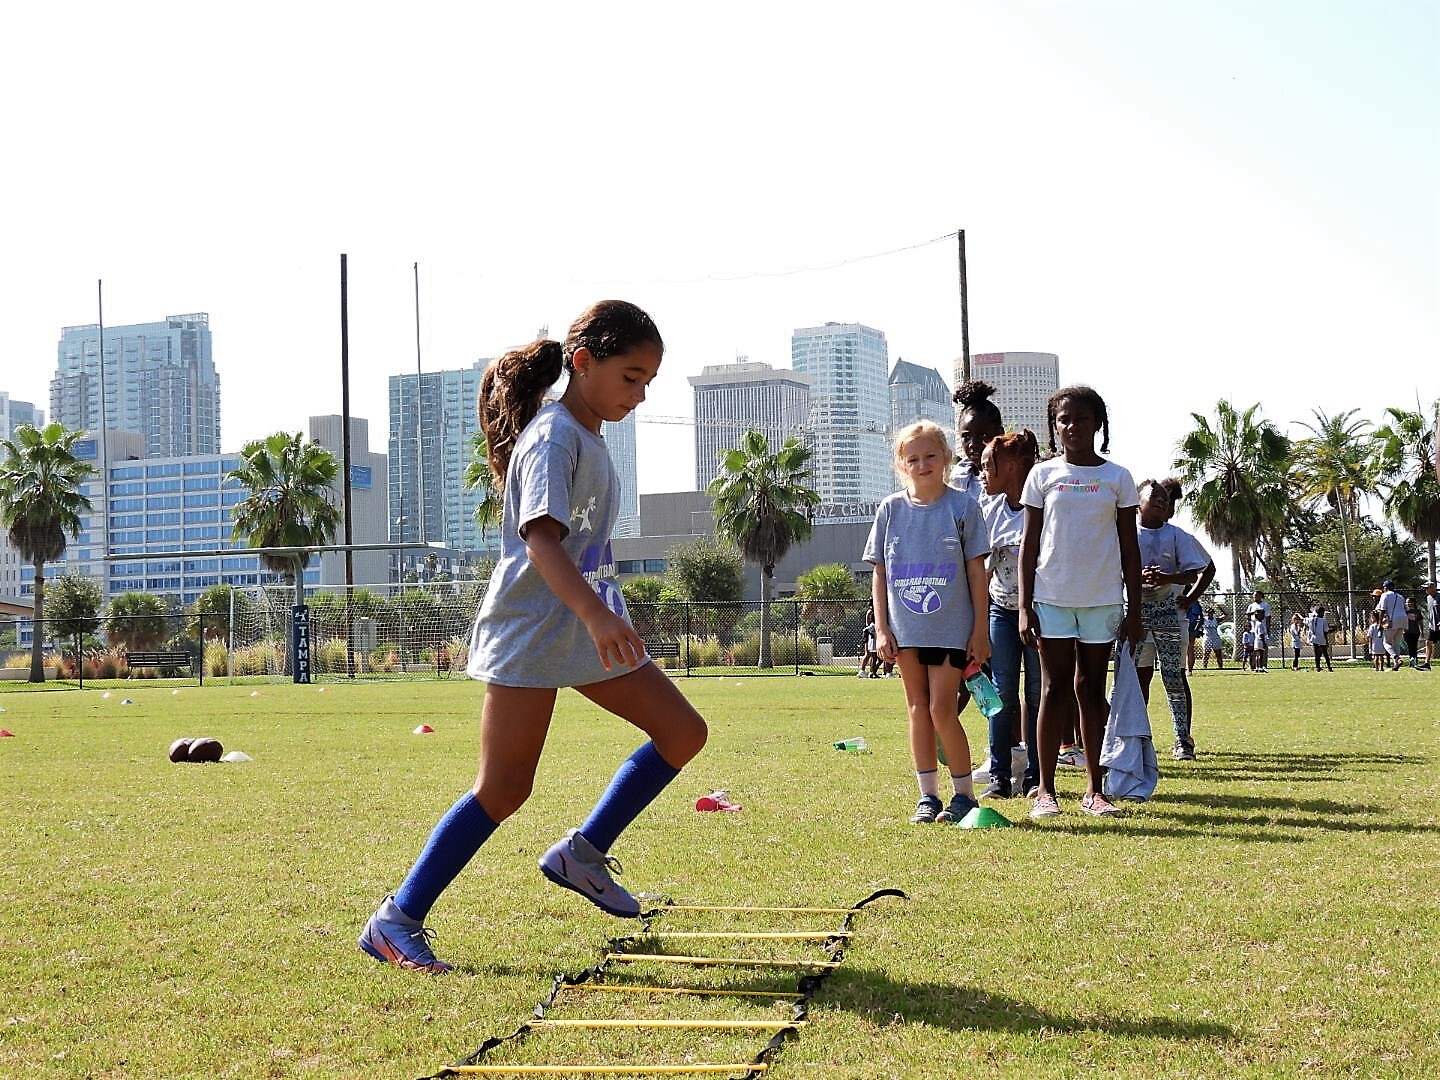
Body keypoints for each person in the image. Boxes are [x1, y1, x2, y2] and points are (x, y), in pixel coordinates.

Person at [359, 301, 708, 973]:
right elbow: (541, 541)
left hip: (580, 628)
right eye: (631, 377)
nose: (640, 395)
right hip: (533, 632)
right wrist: (598, 615)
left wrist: (603, 614)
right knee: (503, 790)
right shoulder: (553, 436)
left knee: (683, 732)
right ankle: (394, 920)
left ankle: (582, 853)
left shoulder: (590, 431)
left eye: (648, 382)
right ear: (583, 362)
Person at [1019, 385, 1142, 818]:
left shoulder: (1117, 478)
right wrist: (1023, 605)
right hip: (1051, 597)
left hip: (1102, 600)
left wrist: (1135, 609)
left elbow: (1130, 547)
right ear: (1055, 427)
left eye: (1082, 419)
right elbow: (1028, 546)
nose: (1073, 426)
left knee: (1090, 690)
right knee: (1052, 689)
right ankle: (1046, 790)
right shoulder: (1042, 475)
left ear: (1098, 424)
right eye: (1064, 420)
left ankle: (1095, 789)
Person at [866, 420, 991, 824]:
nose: (923, 465)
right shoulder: (890, 509)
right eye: (913, 458)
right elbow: (880, 573)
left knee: (942, 709)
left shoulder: (962, 507)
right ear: (902, 464)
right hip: (906, 633)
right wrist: (882, 629)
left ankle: (964, 795)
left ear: (946, 458)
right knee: (917, 709)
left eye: (930, 456)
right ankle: (929, 796)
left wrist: (979, 629)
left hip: (951, 630)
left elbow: (976, 572)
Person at [978, 428, 1043, 798]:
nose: (984, 473)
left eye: (990, 466)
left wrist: (1031, 609)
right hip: (1001, 611)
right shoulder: (990, 511)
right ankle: (1000, 775)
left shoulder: (1042, 506)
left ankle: (1036, 774)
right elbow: (982, 569)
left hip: (1038, 614)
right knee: (1001, 692)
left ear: (1014, 465)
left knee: (1036, 693)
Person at [1132, 479, 1211, 760]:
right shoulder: (1125, 533)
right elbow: (1111, 568)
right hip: (1135, 615)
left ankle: (1182, 739)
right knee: (1136, 678)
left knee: (1174, 676)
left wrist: (1177, 587)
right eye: (1154, 497)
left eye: (1164, 500)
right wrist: (1135, 578)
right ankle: (1137, 739)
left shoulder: (1176, 535)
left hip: (1170, 615)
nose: (1161, 502)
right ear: (1137, 501)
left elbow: (1198, 571)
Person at [1374, 580, 1407, 671]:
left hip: (1392, 620)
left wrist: (1380, 623)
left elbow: (1382, 610)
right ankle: (1396, 665)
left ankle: (1396, 658)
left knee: (1386, 643)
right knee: (1396, 643)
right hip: (1403, 620)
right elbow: (1405, 608)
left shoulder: (1385, 595)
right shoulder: (1400, 597)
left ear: (1385, 587)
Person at [1245, 590, 1272, 672]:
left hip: (1262, 630)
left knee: (1262, 650)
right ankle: (1253, 666)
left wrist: (1268, 629)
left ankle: (1263, 665)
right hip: (1253, 630)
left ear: (1261, 596)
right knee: (1252, 650)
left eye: (1256, 595)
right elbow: (1248, 617)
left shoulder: (1265, 605)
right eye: (1253, 596)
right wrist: (1252, 614)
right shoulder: (1251, 606)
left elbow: (1268, 617)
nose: (1254, 597)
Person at [1306, 604, 1333, 671]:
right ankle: (1329, 667)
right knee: (1325, 654)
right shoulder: (1323, 620)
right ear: (1321, 612)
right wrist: (1327, 641)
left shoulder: (1312, 619)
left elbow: (1305, 621)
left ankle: (1317, 667)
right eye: (1323, 612)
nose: (1323, 614)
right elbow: (1325, 631)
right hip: (1322, 638)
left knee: (1316, 654)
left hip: (1314, 638)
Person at [859, 606, 880, 678]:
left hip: (874, 641)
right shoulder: (872, 624)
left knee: (875, 658)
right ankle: (870, 672)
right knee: (872, 657)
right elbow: (866, 629)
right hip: (872, 642)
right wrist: (872, 634)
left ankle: (872, 672)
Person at [1403, 597, 1422, 668]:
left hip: (1415, 631)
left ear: (1413, 603)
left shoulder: (1417, 611)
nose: (1408, 604)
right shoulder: (1404, 611)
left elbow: (1420, 621)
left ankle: (1415, 660)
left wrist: (1422, 631)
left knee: (1414, 647)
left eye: (1409, 602)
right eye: (1407, 602)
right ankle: (1412, 661)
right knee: (1410, 647)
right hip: (1407, 632)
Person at [1424, 581, 1438, 671]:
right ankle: (1427, 663)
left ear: (1433, 588)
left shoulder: (1439, 597)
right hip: (1432, 625)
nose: (1425, 590)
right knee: (1428, 642)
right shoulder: (1428, 598)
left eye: (1427, 588)